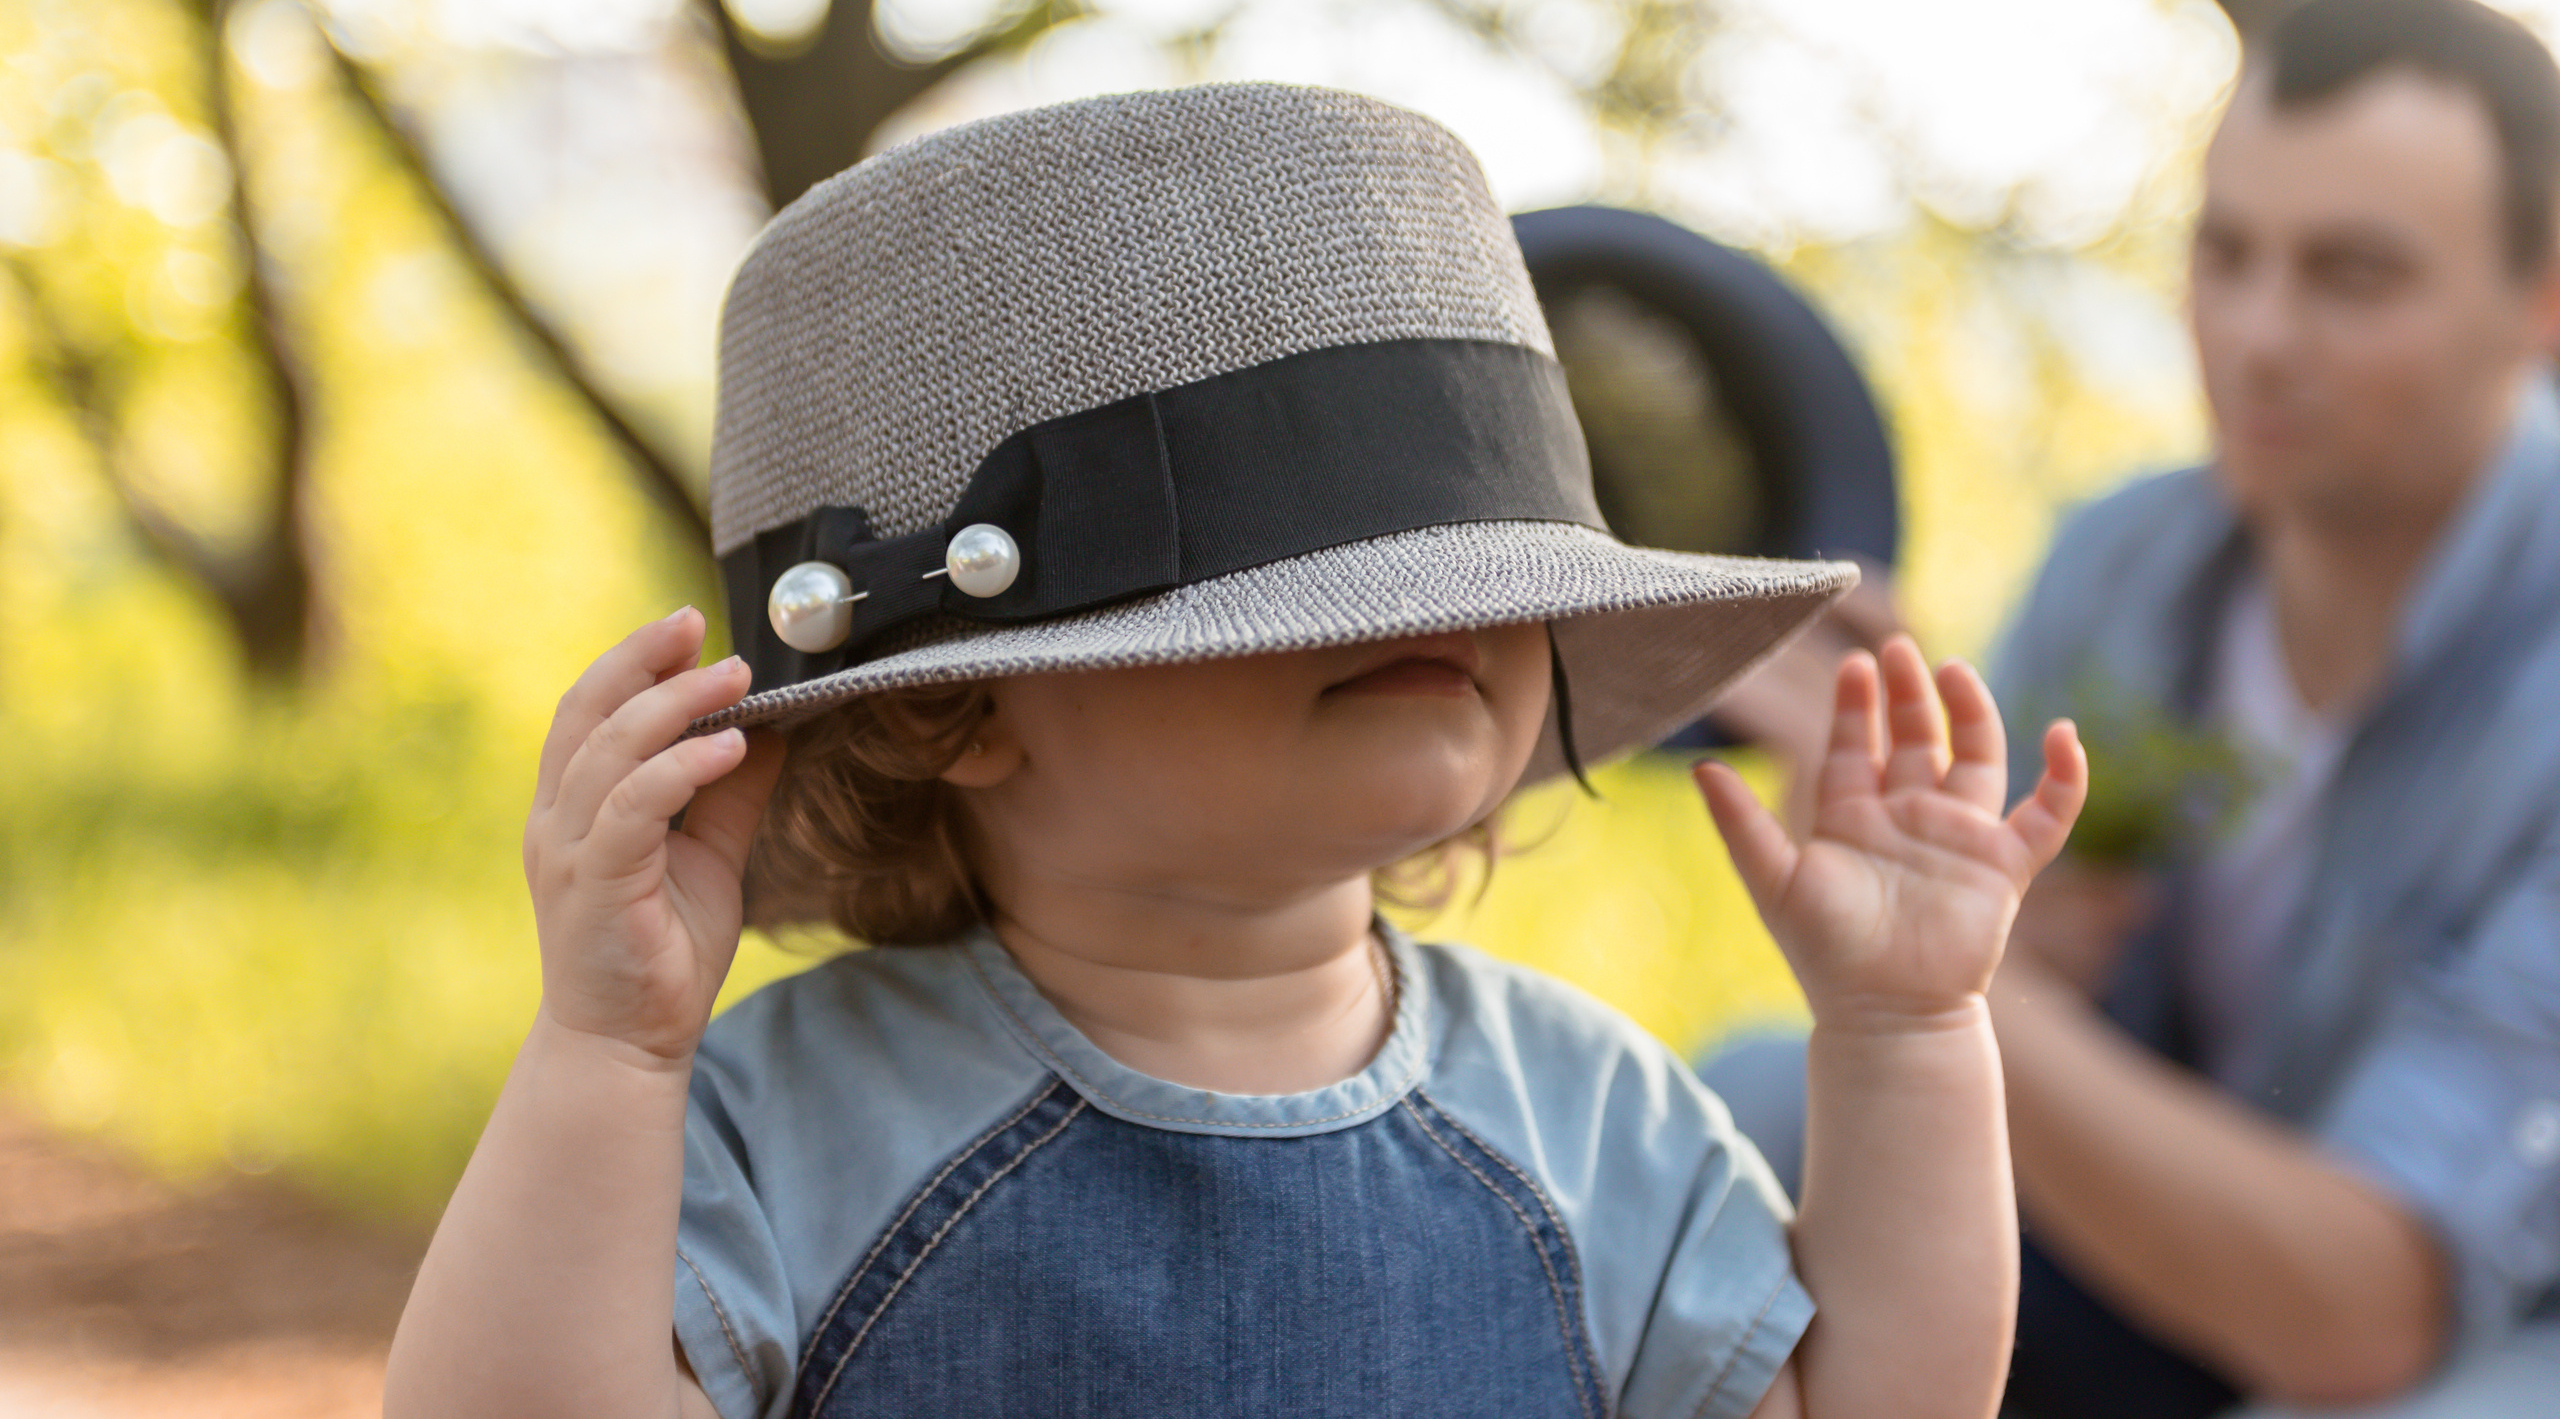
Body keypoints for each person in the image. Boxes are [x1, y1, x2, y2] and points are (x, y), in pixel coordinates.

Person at [380, 84, 2087, 1419]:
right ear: (951, 705)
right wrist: (605, 1052)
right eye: (1313, 587)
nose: (1436, 619)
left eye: (1475, 579)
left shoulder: (1584, 1120)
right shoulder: (794, 1125)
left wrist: (1907, 1028)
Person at [1711, 0, 2560, 1419]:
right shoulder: (2124, 562)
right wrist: (1937, 854)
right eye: (2224, 254)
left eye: (2353, 276)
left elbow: (2365, 1314)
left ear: (2541, 303)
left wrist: (1947, 979)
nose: (2257, 334)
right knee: (1724, 1122)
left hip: (2462, 1339)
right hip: (2172, 1274)